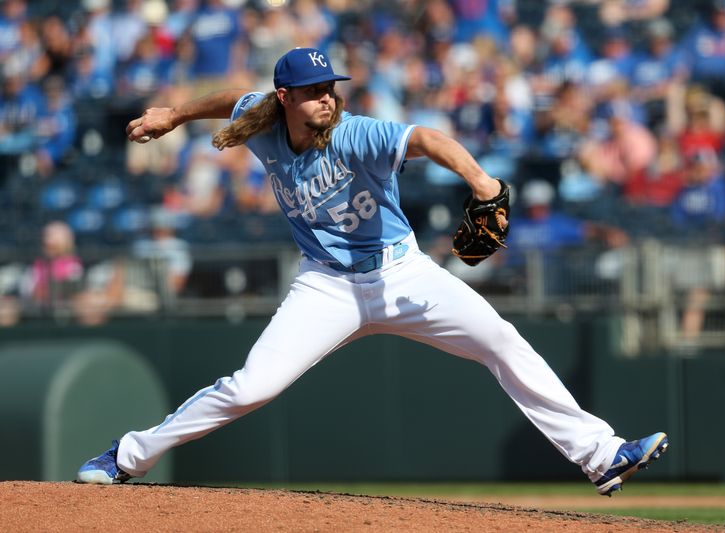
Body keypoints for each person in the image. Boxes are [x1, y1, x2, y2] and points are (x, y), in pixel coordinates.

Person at [76, 47, 668, 495]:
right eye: (312, 91)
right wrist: (175, 116)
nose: (326, 98)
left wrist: (482, 181)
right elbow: (230, 97)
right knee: (252, 386)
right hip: (326, 286)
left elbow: (429, 138)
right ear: (284, 97)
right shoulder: (263, 121)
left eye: (330, 87)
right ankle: (127, 457)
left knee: (503, 343)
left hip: (404, 275)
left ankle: (601, 454)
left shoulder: (356, 134)